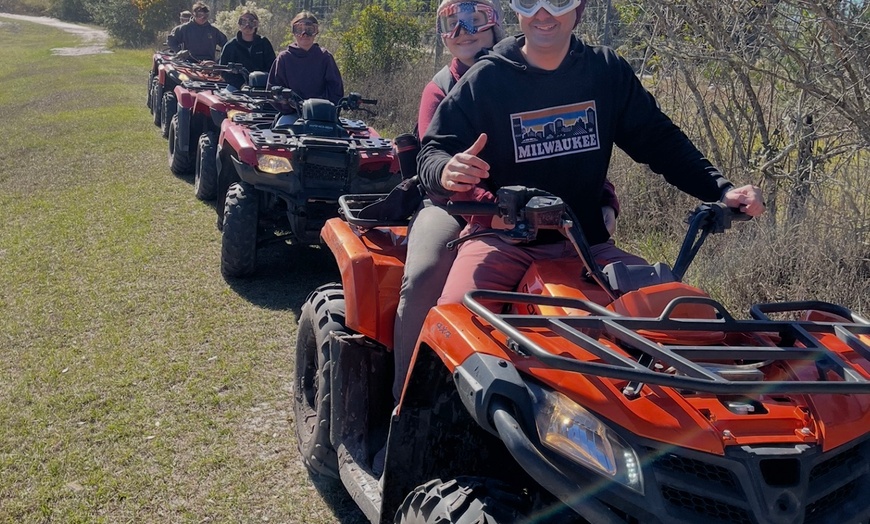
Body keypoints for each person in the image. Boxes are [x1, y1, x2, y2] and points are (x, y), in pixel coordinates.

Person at [417, 0, 764, 307]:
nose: (543, 13)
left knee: (680, 316)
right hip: (502, 242)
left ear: (578, 7)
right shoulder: (486, 79)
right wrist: (447, 168)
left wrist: (720, 189)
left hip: (587, 244)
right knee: (457, 324)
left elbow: (659, 141)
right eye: (529, 1)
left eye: (557, 1)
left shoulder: (605, 71)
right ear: (515, 9)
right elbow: (433, 151)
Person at [390, 0, 621, 403]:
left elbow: (569, 150)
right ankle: (408, 393)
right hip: (455, 207)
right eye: (452, 24)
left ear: (496, 21)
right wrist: (488, 204)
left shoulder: (536, 70)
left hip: (537, 215)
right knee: (426, 272)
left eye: (474, 19)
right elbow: (439, 159)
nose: (464, 31)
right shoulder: (442, 87)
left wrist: (605, 197)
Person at [266, 11, 344, 104]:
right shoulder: (284, 58)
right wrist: (289, 105)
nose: (304, 34)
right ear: (293, 32)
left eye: (310, 30)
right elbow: (273, 92)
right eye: (299, 30)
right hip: (292, 113)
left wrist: (323, 107)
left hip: (321, 112)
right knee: (285, 120)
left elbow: (336, 90)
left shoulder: (325, 57)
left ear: (316, 32)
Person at [219, 10, 277, 89]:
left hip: (262, 87)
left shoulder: (264, 43)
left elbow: (273, 67)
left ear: (256, 25)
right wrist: (241, 85)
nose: (247, 25)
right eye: (243, 22)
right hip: (236, 87)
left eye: (251, 22)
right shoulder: (230, 46)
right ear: (239, 24)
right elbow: (224, 71)